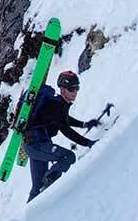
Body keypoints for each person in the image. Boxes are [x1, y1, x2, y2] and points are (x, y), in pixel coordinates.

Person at [23, 69, 106, 200]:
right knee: (68, 157)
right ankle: (48, 183)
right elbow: (65, 129)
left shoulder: (58, 103)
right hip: (37, 144)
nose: (75, 92)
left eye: (77, 88)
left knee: (37, 187)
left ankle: (29, 216)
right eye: (72, 89)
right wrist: (88, 143)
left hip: (36, 144)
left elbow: (64, 119)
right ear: (62, 90)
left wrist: (84, 124)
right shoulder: (56, 105)